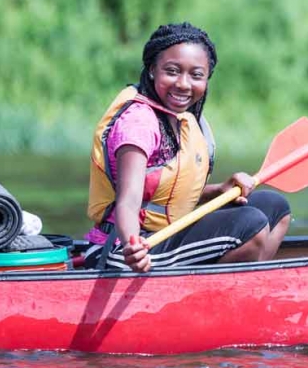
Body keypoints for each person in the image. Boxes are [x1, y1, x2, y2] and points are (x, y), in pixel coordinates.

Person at [83, 22, 291, 272]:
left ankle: (247, 292)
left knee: (274, 207)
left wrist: (220, 190)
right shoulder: (138, 124)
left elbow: (166, 196)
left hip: (164, 235)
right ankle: (214, 301)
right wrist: (132, 244)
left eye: (196, 75)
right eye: (172, 71)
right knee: (251, 224)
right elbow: (128, 201)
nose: (183, 84)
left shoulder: (182, 119)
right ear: (152, 70)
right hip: (124, 250)